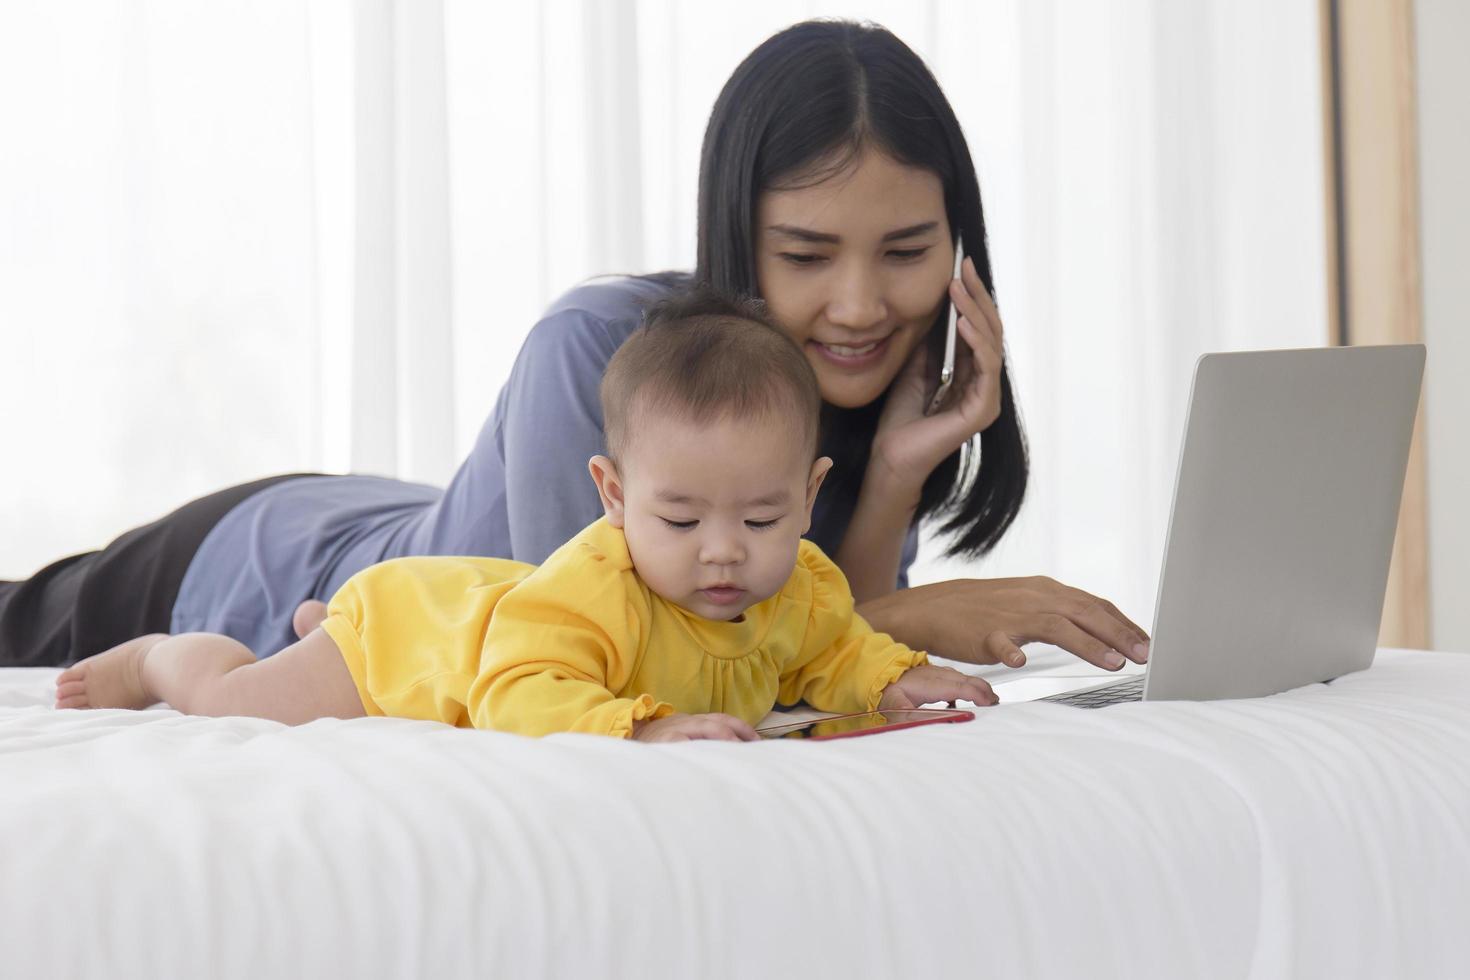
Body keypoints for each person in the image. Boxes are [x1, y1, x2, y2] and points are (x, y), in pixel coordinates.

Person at [4, 19, 1148, 677]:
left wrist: (895, 470)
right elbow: (611, 658)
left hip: (409, 514)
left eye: (906, 249)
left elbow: (793, 645)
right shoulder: (593, 350)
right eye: (804, 254)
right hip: (263, 576)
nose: (859, 303)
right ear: (737, 239)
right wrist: (912, 615)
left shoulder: (876, 387)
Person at [53, 292, 999, 740]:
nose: (724, 552)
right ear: (615, 497)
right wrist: (645, 729)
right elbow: (517, 694)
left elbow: (831, 651)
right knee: (242, 705)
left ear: (807, 493)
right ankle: (161, 656)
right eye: (679, 521)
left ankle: (310, 628)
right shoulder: (596, 588)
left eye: (761, 518)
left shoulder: (800, 583)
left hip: (473, 607)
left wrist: (897, 679)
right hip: (411, 639)